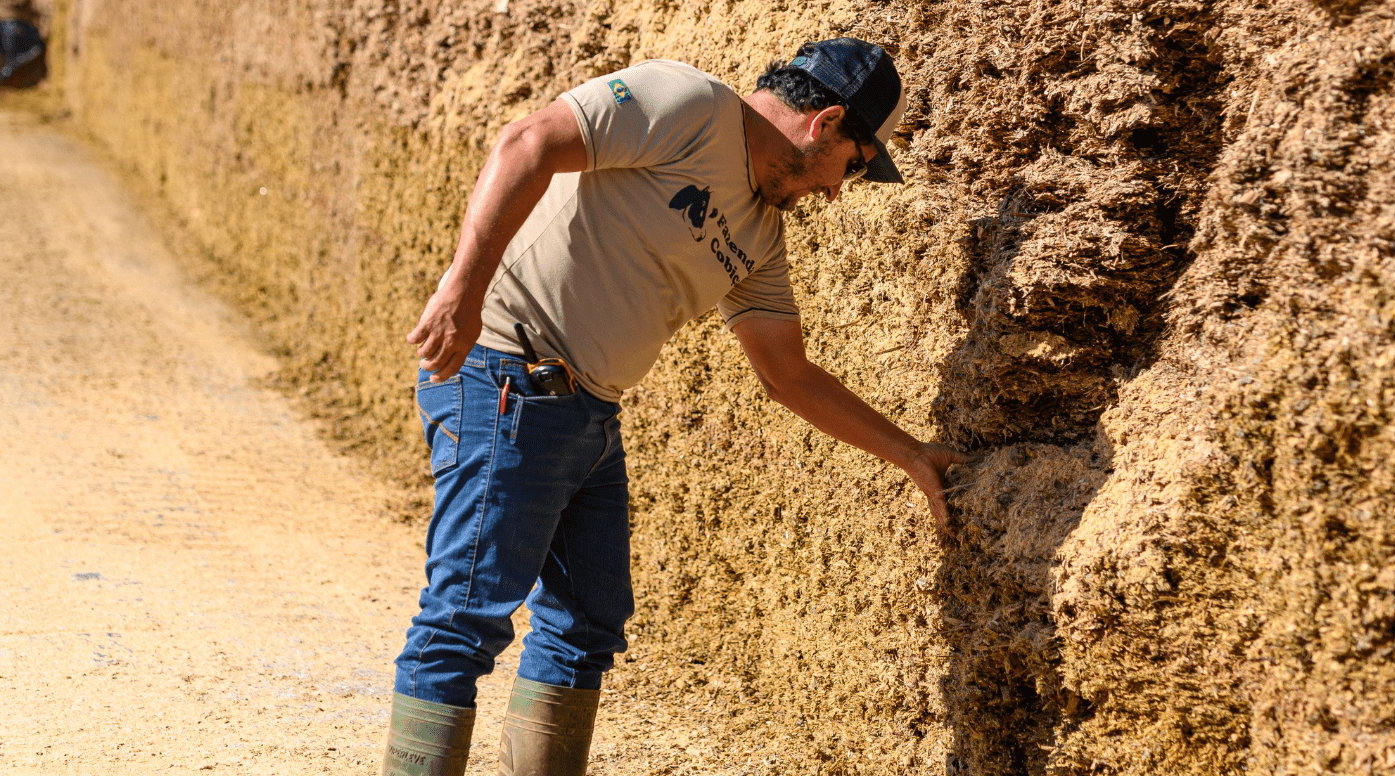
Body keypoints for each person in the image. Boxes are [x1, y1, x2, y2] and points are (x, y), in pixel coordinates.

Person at [383, 38, 966, 776]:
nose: (835, 192)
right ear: (825, 125)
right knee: (463, 619)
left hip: (588, 415)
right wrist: (463, 289)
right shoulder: (688, 105)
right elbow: (528, 142)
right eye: (852, 165)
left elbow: (788, 374)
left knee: (586, 626)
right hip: (508, 379)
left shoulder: (760, 235)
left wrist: (910, 455)